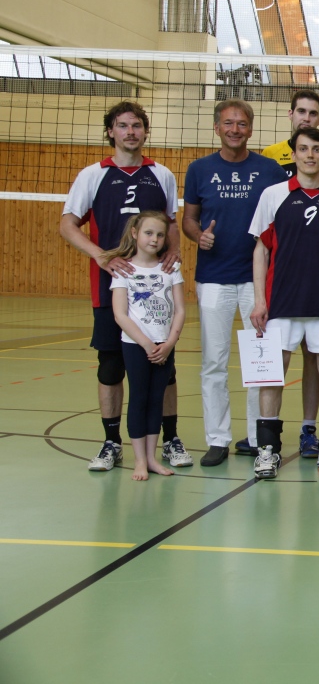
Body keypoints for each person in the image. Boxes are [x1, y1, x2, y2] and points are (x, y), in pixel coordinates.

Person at [60, 101, 184, 472]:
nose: (130, 132)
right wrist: (101, 256)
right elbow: (67, 225)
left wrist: (174, 252)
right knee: (111, 366)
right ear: (111, 131)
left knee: (165, 367)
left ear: (145, 131)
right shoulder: (92, 175)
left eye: (137, 125)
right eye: (123, 125)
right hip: (110, 288)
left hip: (157, 292)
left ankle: (171, 439)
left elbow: (171, 223)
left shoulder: (161, 174)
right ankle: (112, 442)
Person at [182, 99, 287, 466]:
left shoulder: (270, 170)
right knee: (214, 362)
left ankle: (258, 438)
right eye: (228, 123)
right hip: (214, 278)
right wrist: (198, 236)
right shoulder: (199, 169)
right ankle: (217, 439)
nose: (235, 129)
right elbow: (188, 219)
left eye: (241, 124)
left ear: (251, 129)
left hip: (258, 281)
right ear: (217, 128)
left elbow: (285, 216)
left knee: (261, 362)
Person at [248, 127, 319, 480]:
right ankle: (267, 450)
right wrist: (259, 300)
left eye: (316, 149)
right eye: (303, 149)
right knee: (272, 374)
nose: (310, 155)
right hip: (282, 302)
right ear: (293, 154)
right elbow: (261, 250)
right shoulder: (273, 195)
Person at [106, 212, 185, 481]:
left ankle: (152, 458)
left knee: (156, 400)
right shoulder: (124, 271)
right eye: (149, 233)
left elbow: (180, 310)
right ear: (135, 234)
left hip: (164, 347)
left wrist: (169, 342)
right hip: (137, 346)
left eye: (160, 235)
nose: (154, 239)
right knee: (139, 399)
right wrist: (146, 343)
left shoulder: (170, 269)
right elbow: (120, 315)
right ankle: (139, 460)